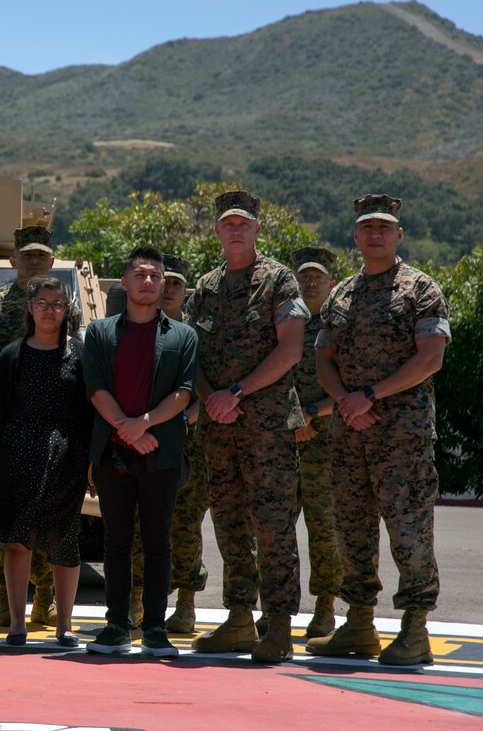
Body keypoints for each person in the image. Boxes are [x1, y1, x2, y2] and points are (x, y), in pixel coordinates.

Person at [307, 194, 450, 666]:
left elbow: (430, 358)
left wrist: (368, 395)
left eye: (384, 228)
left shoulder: (420, 289)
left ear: (398, 236)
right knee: (353, 532)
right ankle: (359, 625)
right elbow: (323, 357)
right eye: (367, 227)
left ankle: (414, 630)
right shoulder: (343, 293)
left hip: (401, 437)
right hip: (350, 435)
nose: (375, 234)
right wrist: (347, 403)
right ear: (355, 235)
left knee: (409, 534)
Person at [188, 190, 308, 664]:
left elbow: (291, 350)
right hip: (220, 428)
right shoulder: (207, 285)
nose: (235, 230)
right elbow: (190, 351)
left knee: (274, 525)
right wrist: (209, 398)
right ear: (217, 231)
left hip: (267, 428)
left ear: (258, 229)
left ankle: (277, 625)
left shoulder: (279, 281)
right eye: (227, 224)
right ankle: (239, 619)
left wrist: (234, 393)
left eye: (244, 223)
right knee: (229, 524)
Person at [82, 247, 198, 657]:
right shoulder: (99, 332)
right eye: (139, 274)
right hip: (113, 454)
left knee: (156, 542)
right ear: (125, 282)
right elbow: (96, 390)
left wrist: (143, 424)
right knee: (115, 541)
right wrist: (129, 431)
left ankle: (154, 628)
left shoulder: (183, 336)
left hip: (160, 453)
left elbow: (184, 393)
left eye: (154, 276)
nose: (147, 281)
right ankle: (116, 625)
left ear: (164, 284)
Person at [0, 225, 81, 626]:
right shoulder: (0, 324)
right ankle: (10, 606)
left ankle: (53, 610)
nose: (48, 310)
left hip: (64, 448)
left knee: (59, 534)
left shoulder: (77, 345)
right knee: (14, 531)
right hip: (19, 444)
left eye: (41, 255)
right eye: (28, 255)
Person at [275, 246, 342, 639]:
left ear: (331, 283)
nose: (311, 282)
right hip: (283, 442)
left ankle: (325, 607)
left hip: (327, 444)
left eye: (318, 276)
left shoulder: (341, 326)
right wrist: (295, 419)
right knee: (276, 529)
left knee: (324, 529)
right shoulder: (283, 324)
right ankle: (278, 608)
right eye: (304, 276)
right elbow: (270, 377)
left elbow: (352, 384)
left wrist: (313, 415)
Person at [159, 254, 211, 635]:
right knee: (143, 526)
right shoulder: (140, 328)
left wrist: (182, 418)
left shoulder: (196, 335)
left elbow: (204, 386)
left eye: (176, 283)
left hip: (190, 445)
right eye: (165, 282)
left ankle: (186, 604)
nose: (169, 290)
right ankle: (141, 599)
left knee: (186, 526)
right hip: (145, 441)